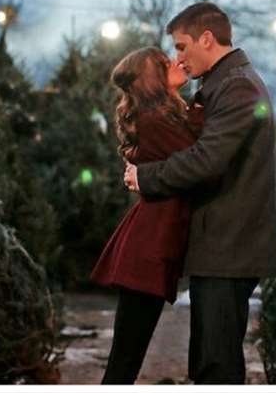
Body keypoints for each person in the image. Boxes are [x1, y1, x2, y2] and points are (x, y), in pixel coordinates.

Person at [123, 2, 276, 384]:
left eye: (181, 46)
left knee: (216, 365)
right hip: (220, 246)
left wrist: (146, 177)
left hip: (230, 247)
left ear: (207, 39)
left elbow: (207, 159)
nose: (178, 56)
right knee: (208, 361)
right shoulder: (221, 85)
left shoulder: (237, 86)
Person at [90, 46, 204, 384]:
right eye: (165, 63)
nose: (175, 61)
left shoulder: (162, 115)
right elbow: (198, 157)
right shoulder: (155, 120)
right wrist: (201, 106)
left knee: (126, 357)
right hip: (148, 249)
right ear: (152, 79)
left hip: (151, 243)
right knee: (125, 360)